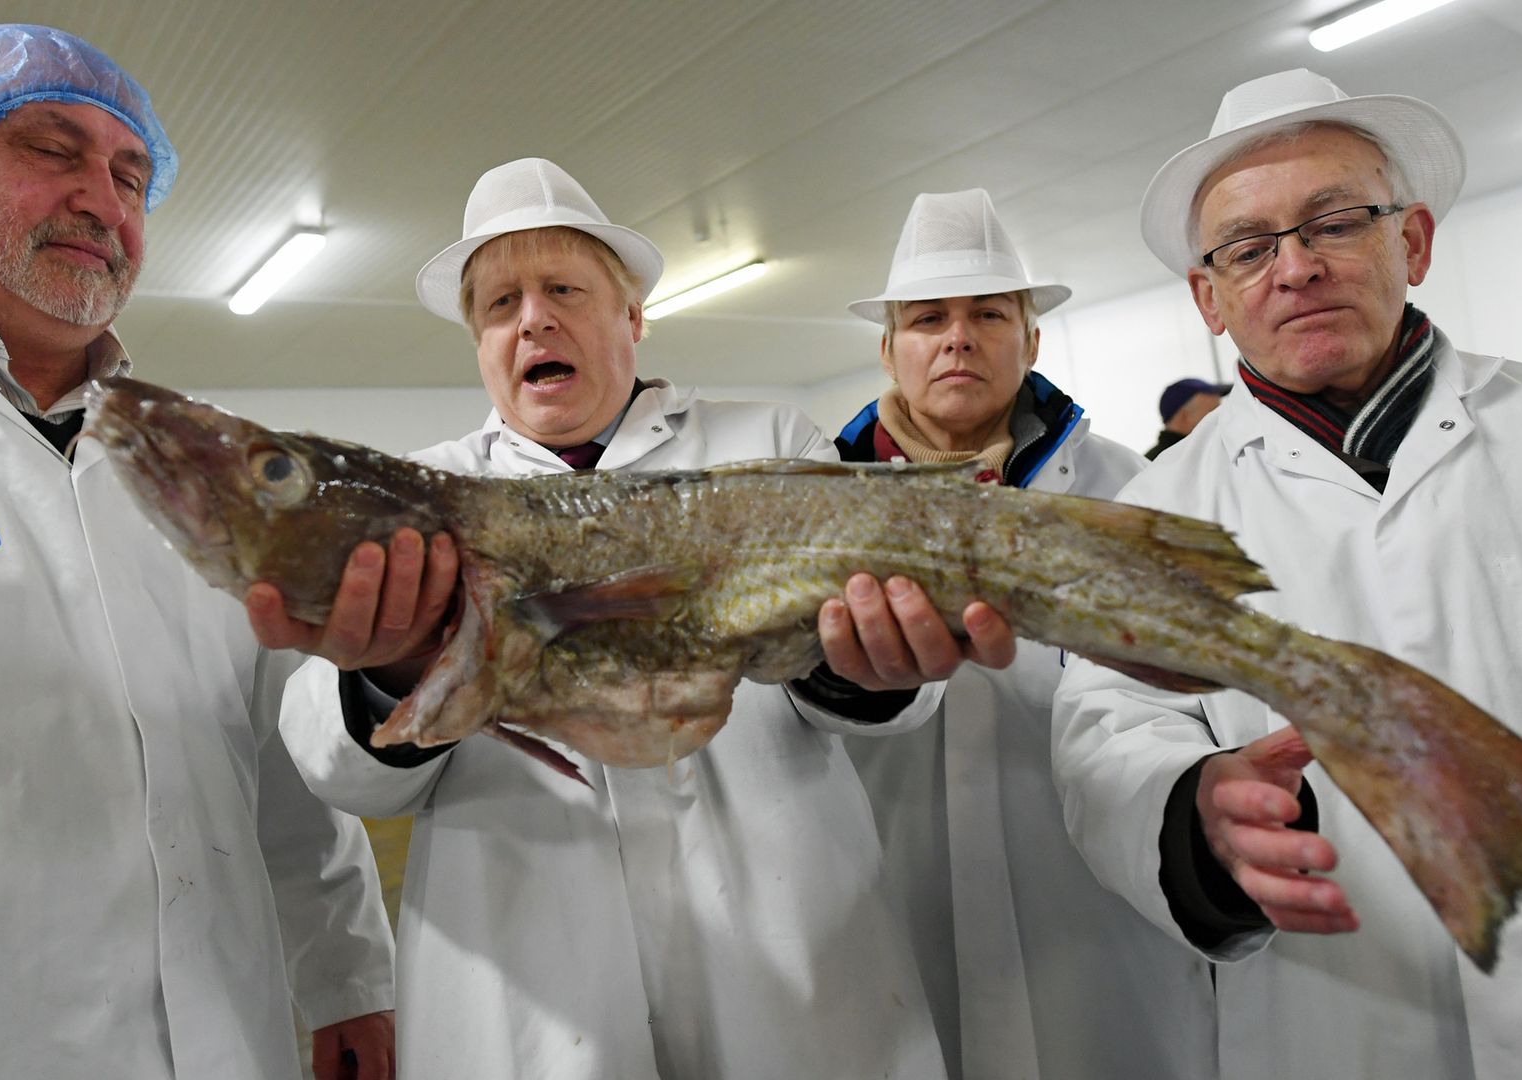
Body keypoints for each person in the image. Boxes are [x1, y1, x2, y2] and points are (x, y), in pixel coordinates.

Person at [261, 157, 1017, 1079]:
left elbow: (869, 689)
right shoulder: (417, 501)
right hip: (535, 982)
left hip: (787, 957)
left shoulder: (769, 448)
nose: (531, 318)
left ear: (630, 317)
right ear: (480, 344)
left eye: (563, 289)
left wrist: (866, 666)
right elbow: (336, 764)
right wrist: (390, 669)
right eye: (499, 305)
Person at [0, 25, 396, 1079]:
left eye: (132, 175)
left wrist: (346, 979)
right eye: (54, 151)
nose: (106, 201)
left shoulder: (212, 460)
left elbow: (275, 755)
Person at [1052, 68, 1522, 1080]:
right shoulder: (1150, 524)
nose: (1295, 268)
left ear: (1411, 241)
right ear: (1210, 297)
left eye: (1336, 223)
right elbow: (1103, 738)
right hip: (1340, 1026)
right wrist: (1193, 810)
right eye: (1249, 248)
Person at [834, 189, 1216, 1080]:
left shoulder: (1130, 494)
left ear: (1032, 340)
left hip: (1092, 916)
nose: (958, 338)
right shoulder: (819, 500)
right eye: (927, 320)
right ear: (890, 348)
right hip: (888, 900)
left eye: (988, 315)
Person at [1146, 377, 1230, 459]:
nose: (1223, 416)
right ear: (1185, 417)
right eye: (1212, 411)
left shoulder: (1202, 451)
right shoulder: (1155, 464)